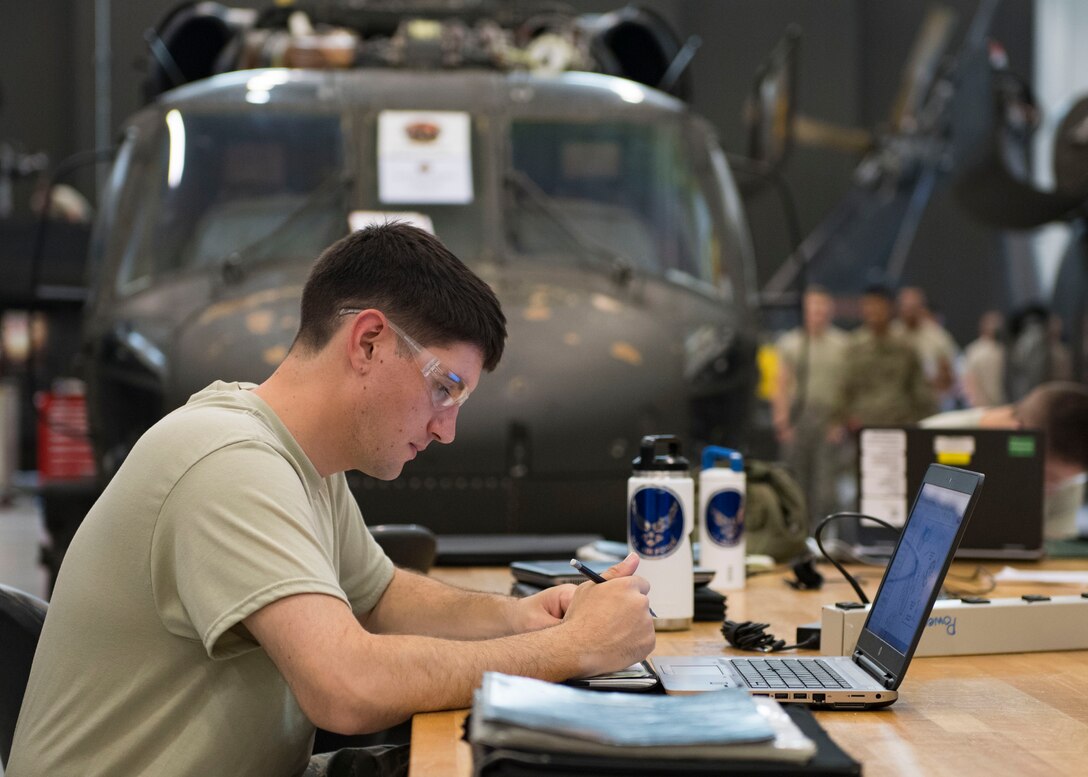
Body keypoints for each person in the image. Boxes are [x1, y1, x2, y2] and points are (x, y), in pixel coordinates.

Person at [7, 223, 656, 777]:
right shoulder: (227, 462)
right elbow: (345, 686)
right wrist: (571, 650)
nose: (446, 428)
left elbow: (377, 599)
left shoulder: (302, 464)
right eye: (445, 388)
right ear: (368, 341)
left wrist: (523, 619)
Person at [921, 381, 1088, 540]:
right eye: (1049, 478)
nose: (1053, 491)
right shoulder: (928, 440)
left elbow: (1056, 551)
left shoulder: (1069, 477)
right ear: (1018, 436)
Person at [771, 286, 850, 521]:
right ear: (804, 311)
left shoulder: (843, 344)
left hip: (828, 420)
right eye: (812, 307)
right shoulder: (790, 343)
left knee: (825, 485)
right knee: (794, 480)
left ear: (830, 310)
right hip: (798, 418)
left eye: (822, 307)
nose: (817, 313)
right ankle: (795, 532)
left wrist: (839, 422)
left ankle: (823, 533)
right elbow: (780, 383)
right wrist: (782, 420)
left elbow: (848, 386)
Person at [830, 284, 936, 439]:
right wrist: (838, 420)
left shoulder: (905, 347)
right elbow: (844, 385)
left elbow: (919, 388)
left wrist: (925, 422)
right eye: (868, 305)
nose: (873, 311)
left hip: (899, 423)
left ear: (890, 308)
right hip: (862, 425)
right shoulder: (854, 346)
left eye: (878, 305)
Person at [891, 286, 960, 409]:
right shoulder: (890, 334)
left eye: (913, 307)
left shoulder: (937, 337)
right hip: (895, 405)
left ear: (921, 308)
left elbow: (949, 376)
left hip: (929, 403)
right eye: (905, 306)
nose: (909, 312)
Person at [961, 310, 1006, 408]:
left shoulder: (1001, 350)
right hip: (984, 406)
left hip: (994, 406)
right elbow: (968, 380)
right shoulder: (975, 351)